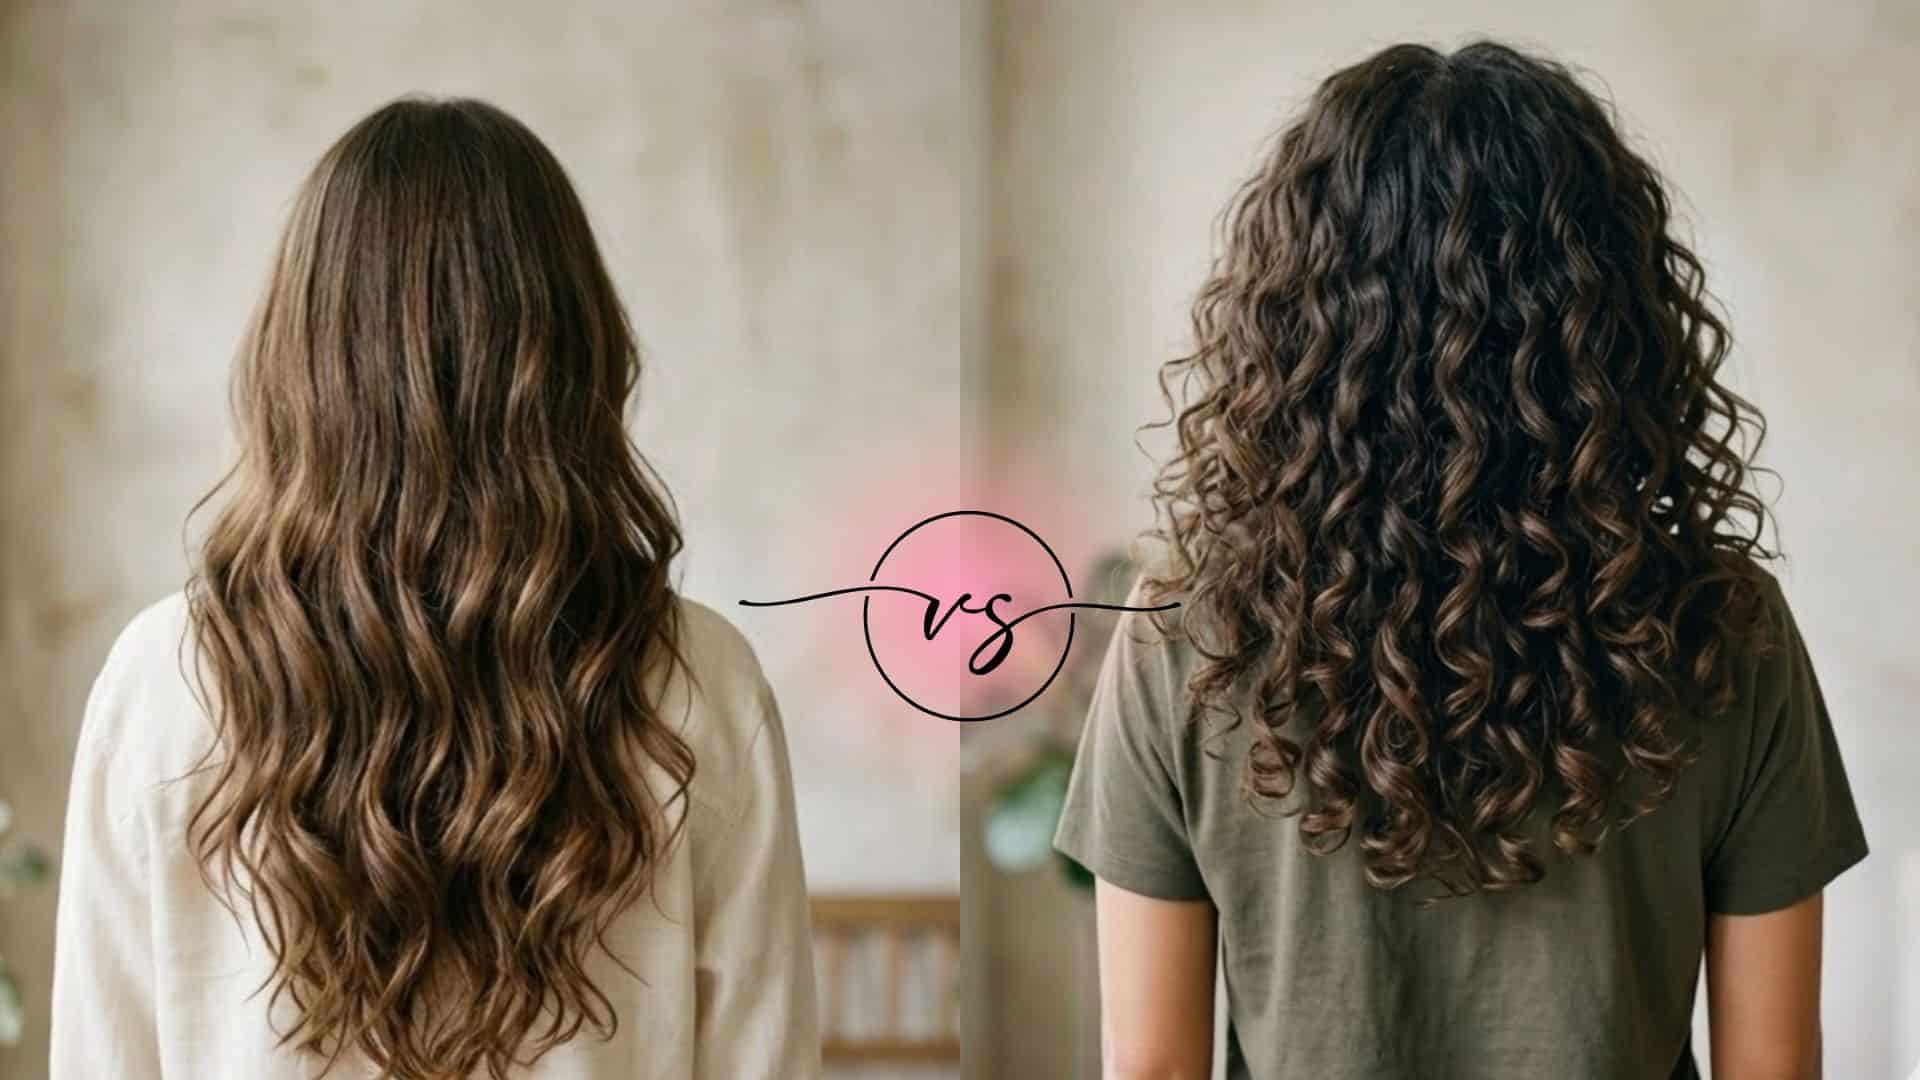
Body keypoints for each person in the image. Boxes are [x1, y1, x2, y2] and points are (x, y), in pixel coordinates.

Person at [1054, 41, 1867, 1080]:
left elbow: (1155, 1069)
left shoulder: (1185, 632)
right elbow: (1775, 1068)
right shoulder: (1724, 630)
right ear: (1613, 319)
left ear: (1298, 323)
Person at [49, 97, 820, 1079]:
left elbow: (100, 1056)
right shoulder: (698, 678)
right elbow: (766, 1058)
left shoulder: (162, 677)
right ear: (573, 346)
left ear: (301, 353)